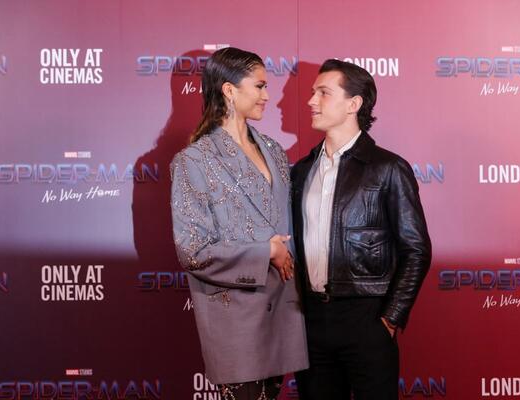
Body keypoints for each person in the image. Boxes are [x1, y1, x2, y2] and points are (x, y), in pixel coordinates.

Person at [170, 47, 308, 400]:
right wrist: (266, 253)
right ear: (229, 90)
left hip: (282, 313)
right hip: (236, 320)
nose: (267, 95)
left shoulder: (274, 151)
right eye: (259, 86)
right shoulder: (194, 161)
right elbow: (192, 251)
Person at [292, 59, 432, 399]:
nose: (311, 101)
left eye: (323, 93)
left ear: (353, 104)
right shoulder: (301, 171)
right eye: (313, 92)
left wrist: (390, 318)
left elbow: (416, 249)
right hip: (311, 321)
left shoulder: (388, 168)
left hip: (368, 319)